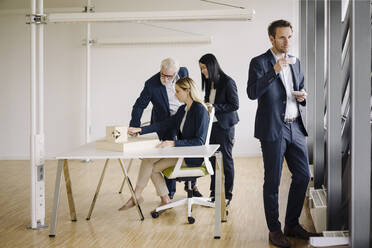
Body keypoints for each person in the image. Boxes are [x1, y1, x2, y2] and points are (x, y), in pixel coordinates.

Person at [247, 19, 319, 248]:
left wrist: (303, 96)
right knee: (273, 181)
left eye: (289, 36)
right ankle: (274, 230)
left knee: (302, 176)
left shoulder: (296, 62)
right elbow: (252, 92)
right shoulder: (259, 62)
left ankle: (291, 224)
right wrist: (273, 70)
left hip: (295, 126)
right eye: (281, 37)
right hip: (273, 129)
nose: (287, 41)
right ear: (271, 38)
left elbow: (301, 86)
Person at [119, 77, 209, 212]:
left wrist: (173, 143)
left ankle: (141, 197)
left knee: (151, 166)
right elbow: (165, 124)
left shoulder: (199, 110)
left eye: (178, 91)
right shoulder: (183, 109)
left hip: (193, 157)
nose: (175, 95)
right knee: (149, 163)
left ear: (188, 91)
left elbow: (200, 141)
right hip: (182, 154)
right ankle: (158, 199)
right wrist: (140, 130)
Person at [129, 58, 202, 199]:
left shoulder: (183, 72)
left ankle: (192, 186)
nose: (164, 78)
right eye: (162, 74)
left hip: (184, 116)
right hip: (166, 122)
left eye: (168, 76)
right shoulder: (151, 84)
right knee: (167, 153)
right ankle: (170, 194)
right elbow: (139, 106)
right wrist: (135, 126)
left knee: (189, 148)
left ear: (176, 73)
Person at [198, 53, 239, 205]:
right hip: (212, 126)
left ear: (212, 66)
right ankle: (215, 193)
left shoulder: (228, 82)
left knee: (226, 160)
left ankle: (227, 195)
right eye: (201, 68)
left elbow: (234, 105)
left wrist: (214, 106)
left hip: (225, 127)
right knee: (213, 159)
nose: (203, 71)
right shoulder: (210, 83)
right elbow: (210, 101)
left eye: (204, 68)